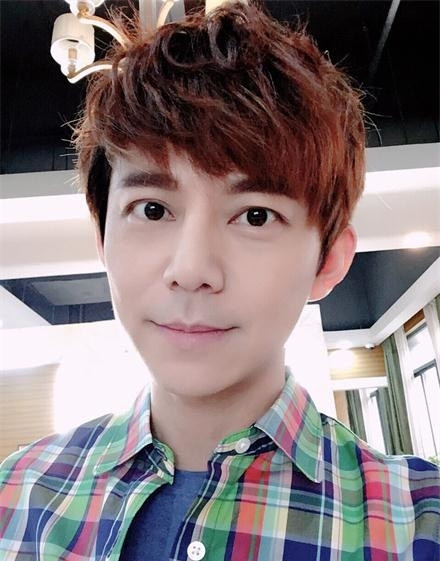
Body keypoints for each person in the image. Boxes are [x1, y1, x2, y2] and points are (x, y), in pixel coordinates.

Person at [1, 2, 439, 560]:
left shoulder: (417, 523)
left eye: (255, 215)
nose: (190, 270)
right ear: (103, 241)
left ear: (328, 260)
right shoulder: (17, 498)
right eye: (152, 209)